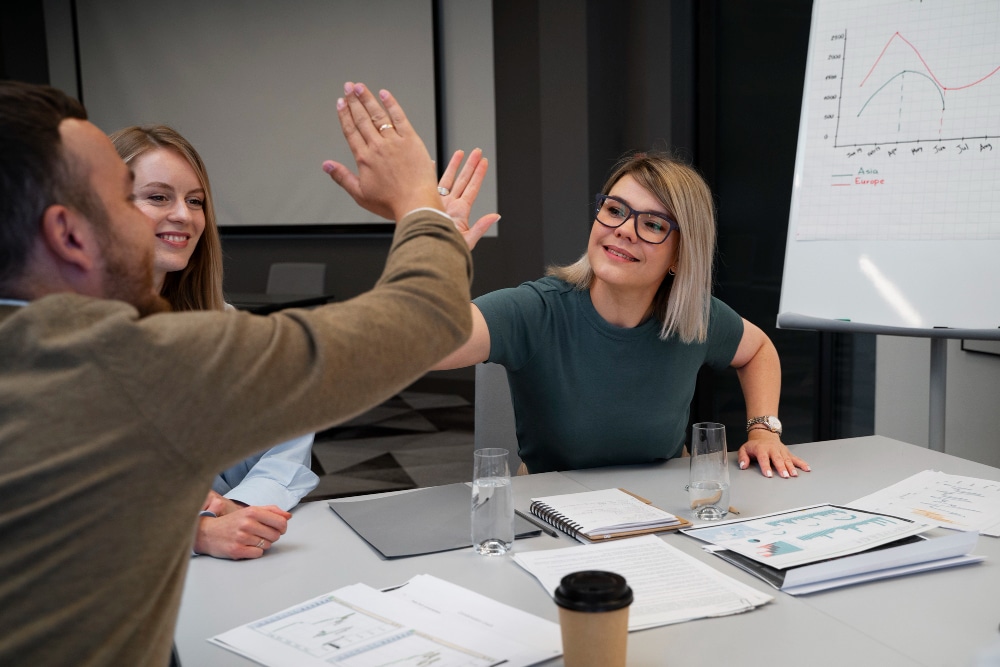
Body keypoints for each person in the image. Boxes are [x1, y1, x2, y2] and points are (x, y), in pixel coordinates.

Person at [0, 79, 472, 665]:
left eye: (195, 200)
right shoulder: (125, 361)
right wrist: (418, 202)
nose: (178, 218)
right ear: (69, 235)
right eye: (129, 200)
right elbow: (423, 317)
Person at [435, 150, 811, 479]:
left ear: (681, 255)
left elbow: (758, 349)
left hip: (662, 511)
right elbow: (421, 347)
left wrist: (763, 430)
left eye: (652, 224)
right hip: (553, 515)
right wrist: (433, 253)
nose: (623, 230)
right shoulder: (536, 310)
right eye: (614, 210)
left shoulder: (693, 317)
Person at [110, 124, 319, 559]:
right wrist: (197, 534)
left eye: (195, 201)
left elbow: (290, 426)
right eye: (158, 197)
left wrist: (238, 507)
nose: (184, 216)